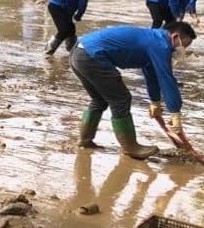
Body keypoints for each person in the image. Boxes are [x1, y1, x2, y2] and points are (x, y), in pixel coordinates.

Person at [69, 21, 196, 158]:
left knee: (99, 99)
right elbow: (167, 80)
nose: (181, 50)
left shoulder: (153, 39)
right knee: (121, 99)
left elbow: (151, 74)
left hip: (79, 53)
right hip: (92, 56)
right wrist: (175, 112)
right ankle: (130, 147)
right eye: (183, 45)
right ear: (175, 37)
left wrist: (155, 101)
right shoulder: (161, 45)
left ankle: (85, 140)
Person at [44, 0, 111, 55]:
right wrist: (79, 14)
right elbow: (83, 1)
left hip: (59, 4)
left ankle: (73, 52)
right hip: (58, 6)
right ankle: (48, 50)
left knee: (71, 29)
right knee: (64, 31)